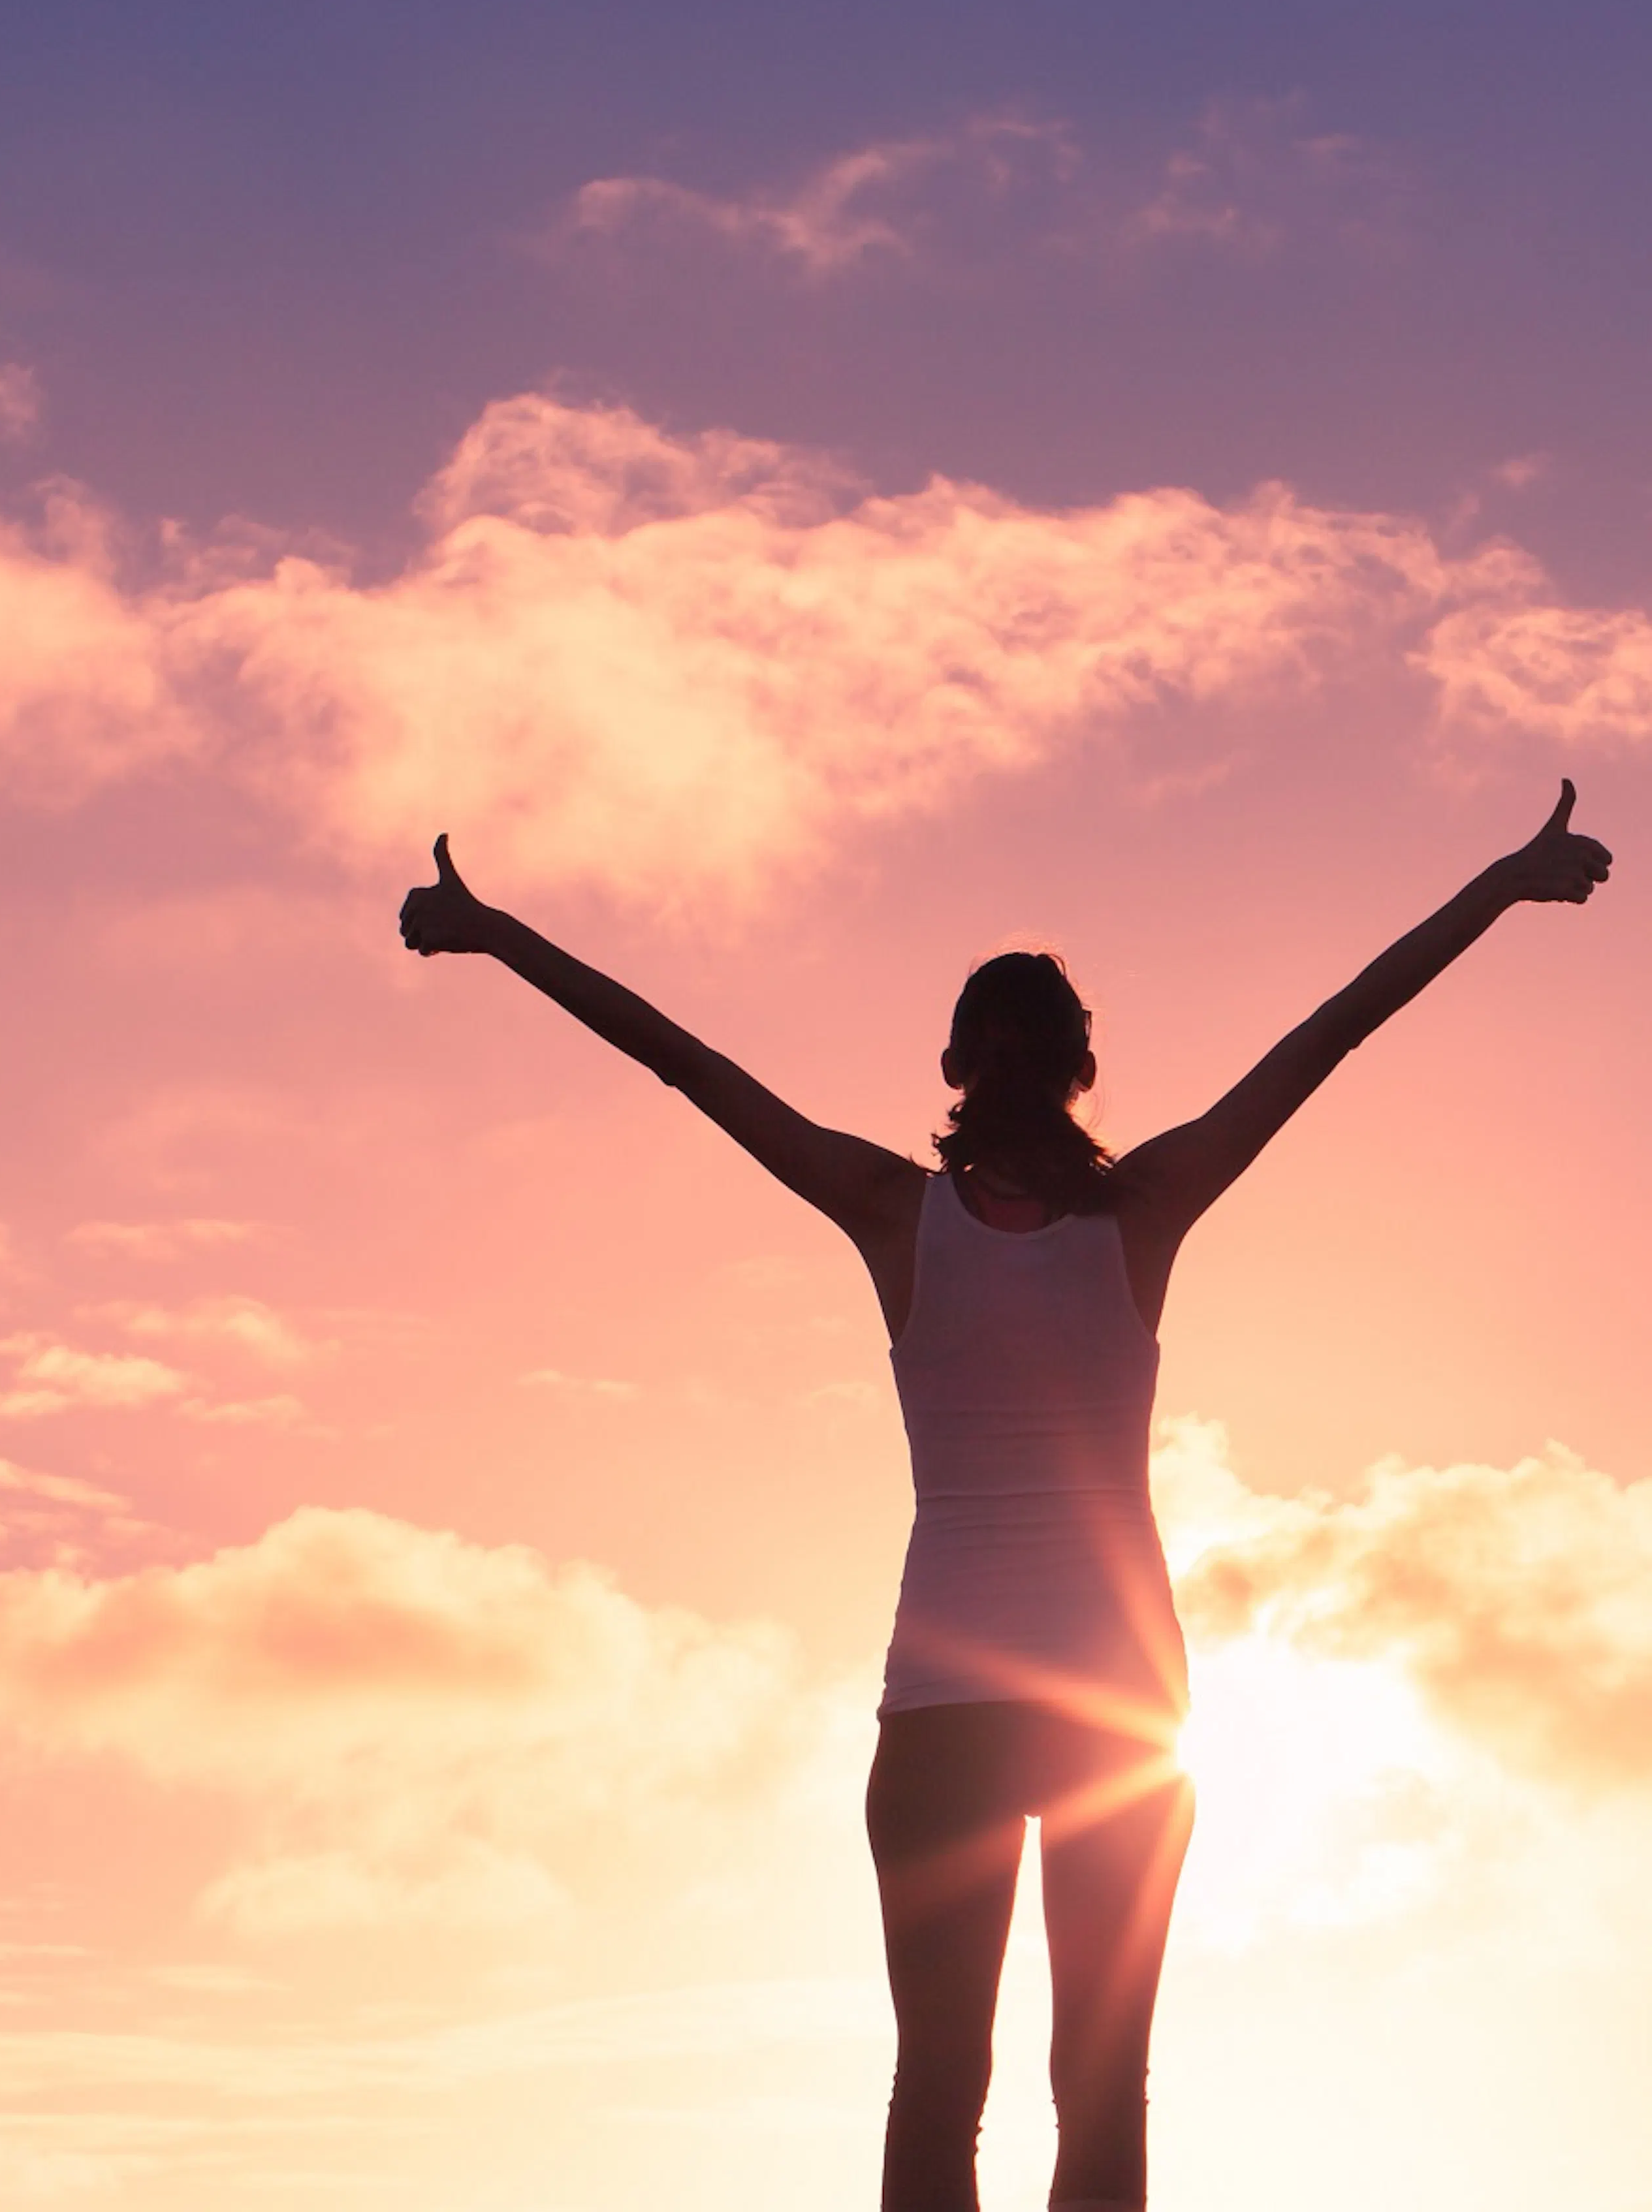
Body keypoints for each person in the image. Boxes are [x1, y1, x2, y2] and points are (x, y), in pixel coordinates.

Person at [397, 785, 1612, 2212]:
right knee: (1092, 2095)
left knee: (942, 2096)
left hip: (959, 1714)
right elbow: (1332, 1034)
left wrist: (497, 933)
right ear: (1068, 1070)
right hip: (1108, 1711)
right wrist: (1502, 881)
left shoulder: (901, 1214)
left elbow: (689, 1065)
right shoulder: (1141, 1209)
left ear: (961, 1067)